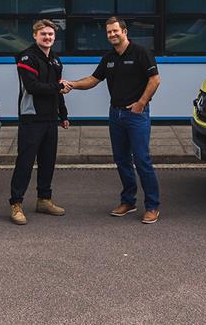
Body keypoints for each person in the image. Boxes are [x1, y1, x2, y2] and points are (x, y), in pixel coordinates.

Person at [64, 17, 161, 224]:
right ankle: (128, 201)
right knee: (122, 160)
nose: (112, 35)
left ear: (124, 31)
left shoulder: (141, 53)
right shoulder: (108, 57)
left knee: (142, 160)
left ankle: (152, 206)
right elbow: (93, 80)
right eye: (109, 32)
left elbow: (155, 80)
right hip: (115, 115)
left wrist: (141, 103)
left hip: (136, 115)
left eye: (115, 31)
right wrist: (71, 84)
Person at [9, 19, 70, 226]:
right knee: (25, 163)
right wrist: (58, 88)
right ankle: (16, 204)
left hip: (50, 118)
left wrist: (63, 114)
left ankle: (44, 200)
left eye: (51, 35)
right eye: (43, 34)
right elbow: (33, 86)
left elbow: (57, 89)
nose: (47, 37)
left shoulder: (55, 59)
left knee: (47, 161)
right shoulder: (26, 57)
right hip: (31, 117)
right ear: (35, 35)